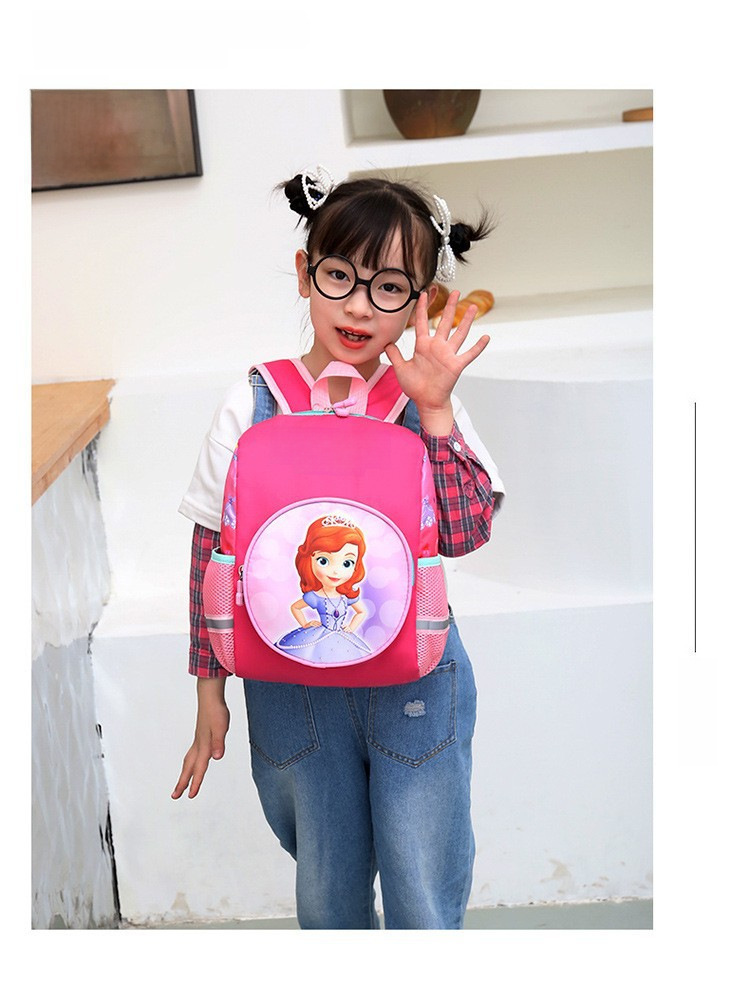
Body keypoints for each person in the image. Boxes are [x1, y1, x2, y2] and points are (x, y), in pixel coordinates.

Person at [172, 167, 505, 929]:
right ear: (305, 273)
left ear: (421, 302)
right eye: (339, 276)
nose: (358, 305)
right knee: (327, 892)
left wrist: (435, 413)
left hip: (414, 679)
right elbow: (211, 554)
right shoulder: (253, 400)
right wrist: (207, 689)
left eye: (388, 287)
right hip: (289, 681)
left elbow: (465, 532)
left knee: (422, 884)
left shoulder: (427, 402)